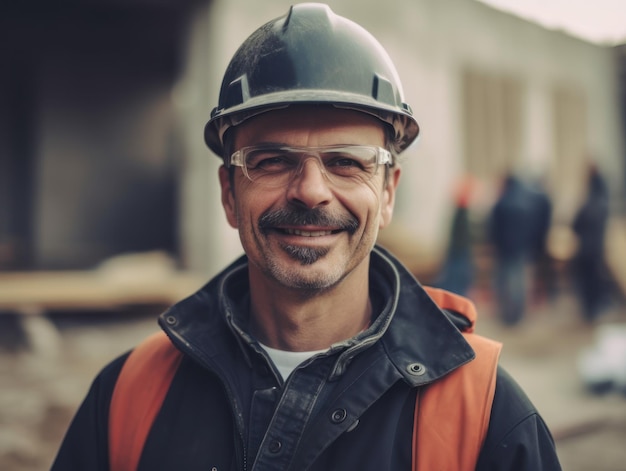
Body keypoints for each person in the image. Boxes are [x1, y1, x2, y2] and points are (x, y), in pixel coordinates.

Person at [51, 4, 561, 470]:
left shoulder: (486, 417)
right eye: (271, 161)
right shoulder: (127, 397)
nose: (311, 192)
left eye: (346, 162)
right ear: (229, 192)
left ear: (387, 193)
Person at [488, 173, 537, 326]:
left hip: (504, 249)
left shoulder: (502, 203)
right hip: (520, 248)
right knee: (519, 281)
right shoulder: (525, 204)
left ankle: (508, 315)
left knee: (505, 282)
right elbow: (531, 228)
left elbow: (493, 228)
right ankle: (518, 314)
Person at [572, 164, 611, 322]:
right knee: (595, 279)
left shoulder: (588, 204)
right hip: (597, 248)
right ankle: (593, 310)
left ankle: (590, 311)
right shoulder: (603, 203)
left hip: (586, 248)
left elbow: (576, 224)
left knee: (588, 281)